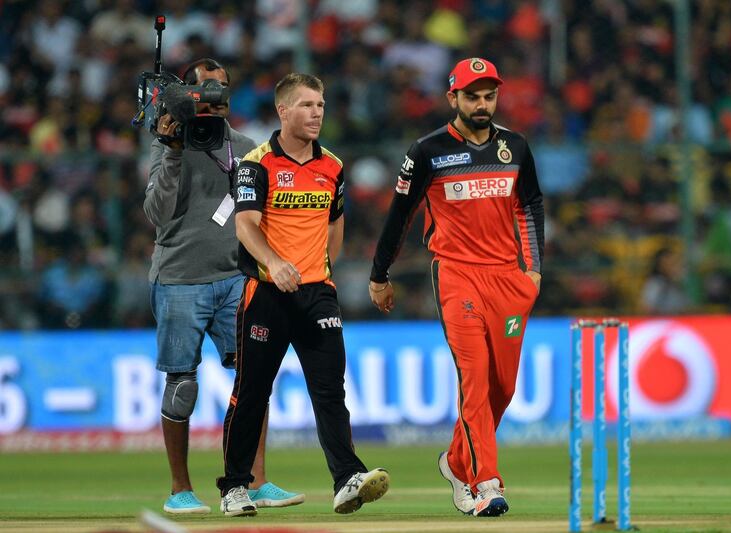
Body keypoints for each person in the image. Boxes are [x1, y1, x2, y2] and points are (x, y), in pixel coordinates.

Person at [369, 58, 543, 518]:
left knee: (501, 387)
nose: (482, 104)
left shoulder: (516, 147)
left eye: (489, 95)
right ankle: (486, 481)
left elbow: (530, 206)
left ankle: (455, 462)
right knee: (474, 380)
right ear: (453, 99)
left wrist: (534, 271)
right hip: (457, 275)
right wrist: (379, 274)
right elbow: (399, 215)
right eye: (472, 96)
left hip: (509, 278)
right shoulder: (427, 151)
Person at [215, 73, 390, 517]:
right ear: (283, 111)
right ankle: (235, 486)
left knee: (330, 392)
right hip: (267, 295)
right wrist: (274, 263)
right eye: (308, 105)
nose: (317, 113)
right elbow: (245, 225)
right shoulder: (256, 164)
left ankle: (347, 479)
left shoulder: (332, 165)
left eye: (322, 105)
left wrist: (320, 273)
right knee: (251, 393)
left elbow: (335, 224)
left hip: (317, 297)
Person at [144, 57, 302, 515]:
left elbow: (264, 213)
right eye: (205, 89)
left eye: (222, 88)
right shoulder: (167, 143)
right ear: (186, 95)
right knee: (182, 385)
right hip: (179, 280)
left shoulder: (248, 148)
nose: (214, 96)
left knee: (255, 375)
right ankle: (180, 490)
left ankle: (256, 480)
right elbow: (157, 214)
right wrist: (172, 149)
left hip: (237, 276)